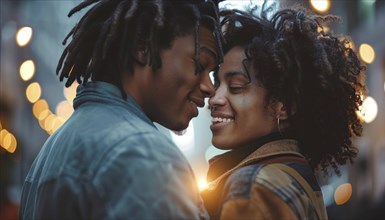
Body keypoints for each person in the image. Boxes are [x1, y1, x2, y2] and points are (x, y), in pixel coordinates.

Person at [19, 0, 223, 219]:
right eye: (200, 65)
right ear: (142, 49)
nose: (210, 88)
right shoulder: (143, 155)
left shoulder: (52, 148)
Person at [201, 6, 366, 220]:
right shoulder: (292, 177)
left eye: (236, 86)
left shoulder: (255, 188)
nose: (214, 98)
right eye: (217, 83)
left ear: (283, 107)